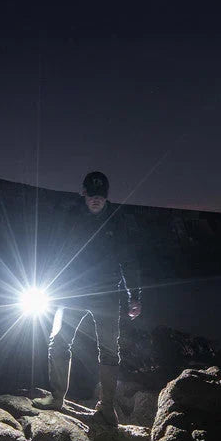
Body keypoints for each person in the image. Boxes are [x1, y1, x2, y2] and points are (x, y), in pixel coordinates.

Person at [34, 171, 142, 425]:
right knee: (58, 341)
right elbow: (56, 251)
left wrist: (134, 296)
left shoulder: (117, 222)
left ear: (106, 197)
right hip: (72, 292)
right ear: (83, 193)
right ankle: (57, 397)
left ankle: (106, 407)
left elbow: (129, 260)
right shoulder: (70, 218)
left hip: (106, 294)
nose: (96, 200)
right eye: (92, 195)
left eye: (101, 196)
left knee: (109, 351)